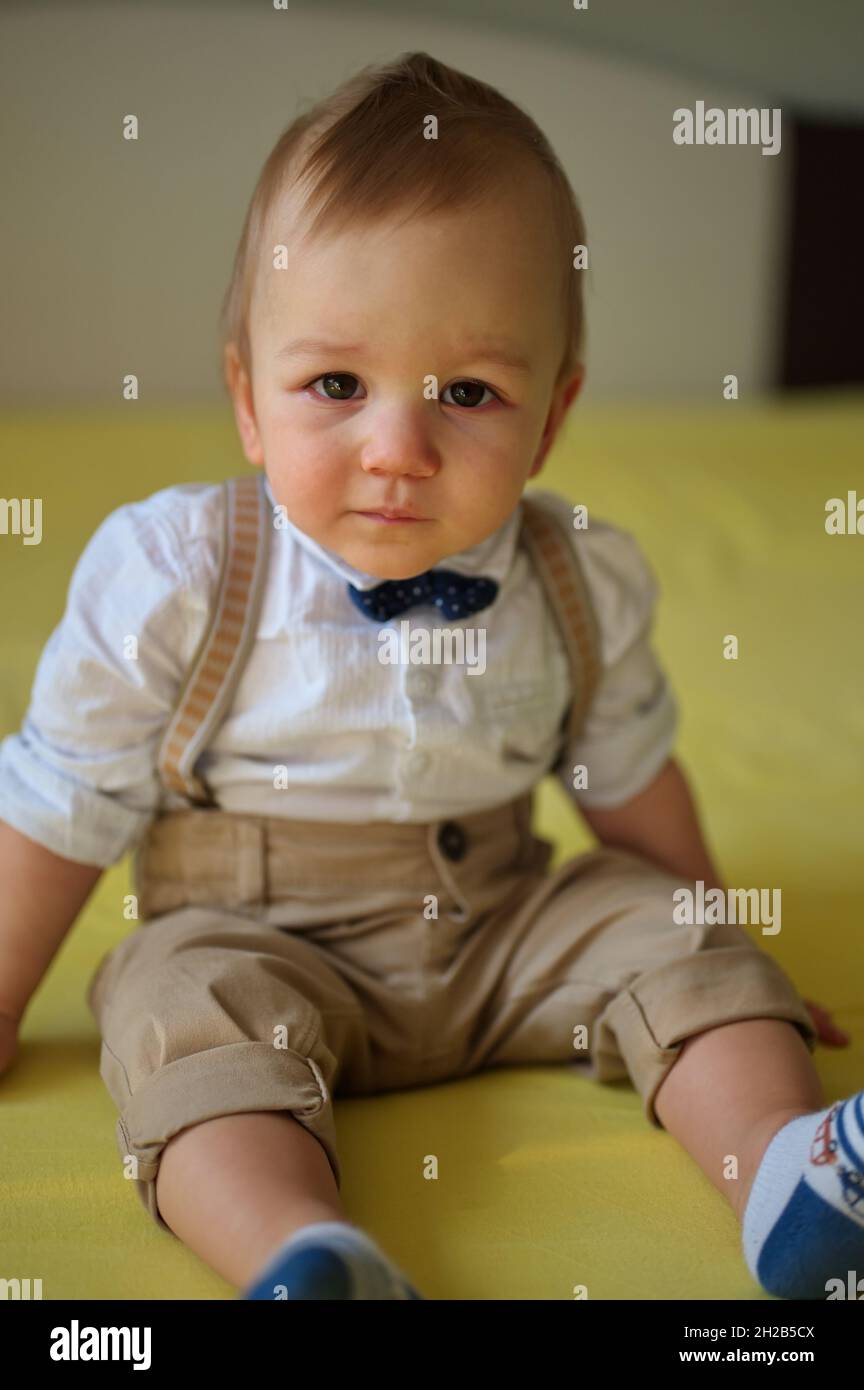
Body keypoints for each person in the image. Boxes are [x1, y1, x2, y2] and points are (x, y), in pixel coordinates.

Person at [0, 51, 859, 1302]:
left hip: (505, 925)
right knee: (179, 1008)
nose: (397, 448)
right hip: (255, 930)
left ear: (550, 421)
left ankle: (787, 1171)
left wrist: (719, 947)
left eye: (467, 392)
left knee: (660, 925)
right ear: (248, 399)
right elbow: (60, 795)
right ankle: (303, 1253)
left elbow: (627, 771)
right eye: (335, 384)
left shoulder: (578, 576)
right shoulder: (177, 573)